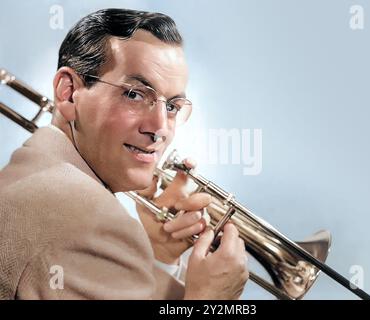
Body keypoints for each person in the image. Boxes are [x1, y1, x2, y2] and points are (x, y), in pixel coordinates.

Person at [0, 8, 249, 299]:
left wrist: (159, 257)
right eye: (134, 94)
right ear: (68, 93)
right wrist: (210, 301)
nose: (159, 128)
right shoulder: (94, 220)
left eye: (172, 106)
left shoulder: (28, 168)